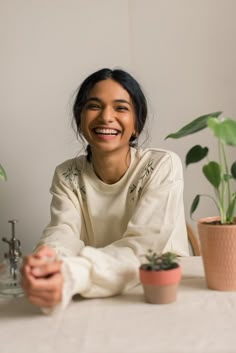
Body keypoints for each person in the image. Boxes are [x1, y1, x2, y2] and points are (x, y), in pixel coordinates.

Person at [21, 68, 189, 314]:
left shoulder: (162, 166)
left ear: (136, 125)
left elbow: (142, 247)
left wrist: (71, 273)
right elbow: (63, 232)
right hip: (99, 294)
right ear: (80, 119)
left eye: (120, 108)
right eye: (94, 106)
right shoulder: (67, 175)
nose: (106, 117)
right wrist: (47, 260)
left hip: (160, 295)